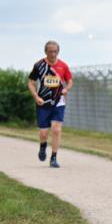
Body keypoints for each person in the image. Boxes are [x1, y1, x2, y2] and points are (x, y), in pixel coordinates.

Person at [28, 40, 72, 168]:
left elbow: (70, 81)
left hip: (59, 101)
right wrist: (36, 96)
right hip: (43, 102)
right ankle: (43, 147)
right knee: (43, 133)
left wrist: (66, 89)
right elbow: (31, 82)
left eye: (55, 51)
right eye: (50, 51)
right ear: (45, 52)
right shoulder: (39, 65)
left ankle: (53, 158)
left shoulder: (63, 66)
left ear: (58, 51)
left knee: (56, 130)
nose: (53, 54)